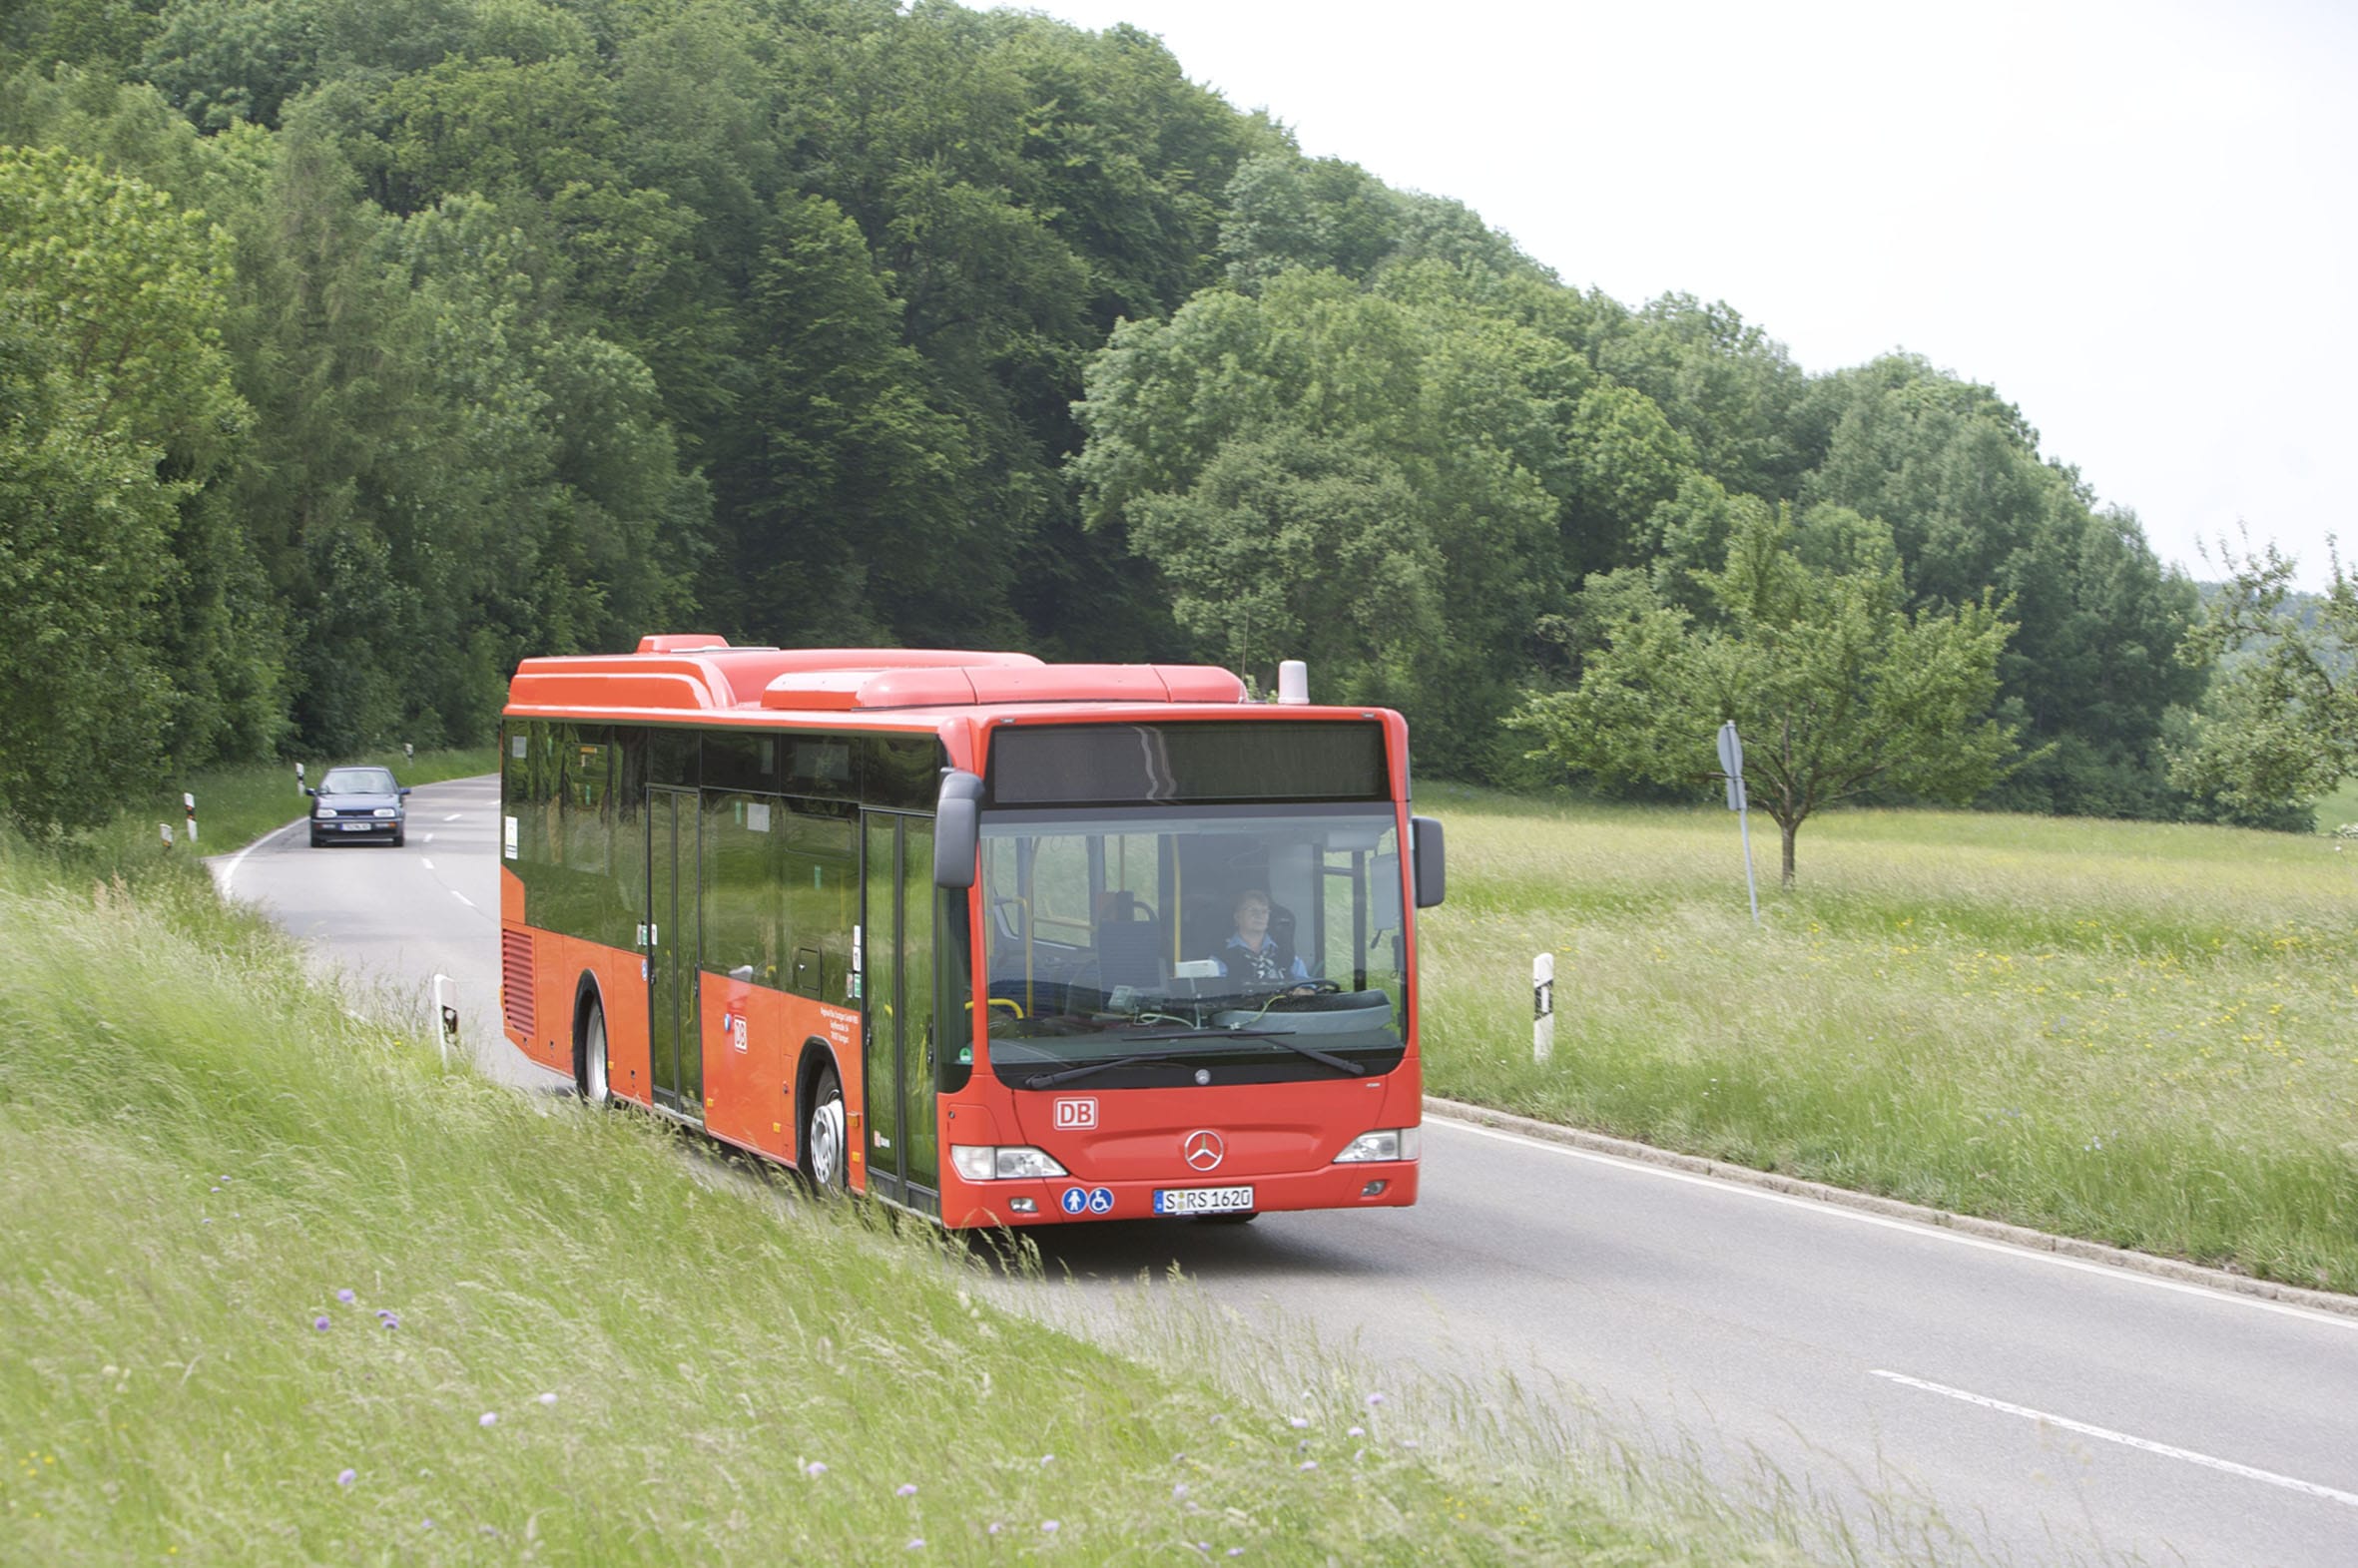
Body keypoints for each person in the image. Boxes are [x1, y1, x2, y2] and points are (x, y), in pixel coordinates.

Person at [1212, 888, 1311, 985]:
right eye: (1252, 910)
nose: (1259, 915)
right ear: (1237, 917)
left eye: (1264, 911)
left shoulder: (1286, 953)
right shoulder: (1219, 957)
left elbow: (1307, 987)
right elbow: (1215, 992)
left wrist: (1305, 990)